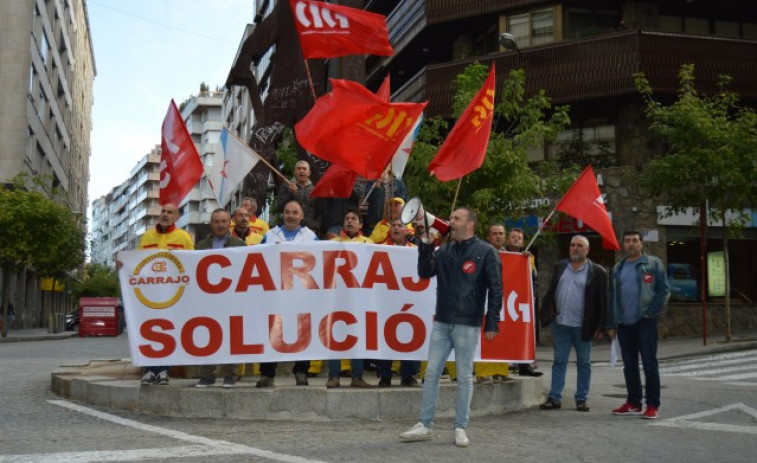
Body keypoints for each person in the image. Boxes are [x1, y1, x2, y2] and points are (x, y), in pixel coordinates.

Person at [400, 207, 503, 448]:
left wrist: (493, 321)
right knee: (432, 372)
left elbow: (497, 289)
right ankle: (425, 424)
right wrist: (425, 245)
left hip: (468, 322)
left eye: (456, 218)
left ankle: (460, 427)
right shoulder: (445, 250)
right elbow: (424, 273)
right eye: (451, 218)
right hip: (442, 321)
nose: (450, 222)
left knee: (464, 375)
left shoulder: (486, 252)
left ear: (470, 224)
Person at [538, 235, 609, 412]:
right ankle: (554, 398)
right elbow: (552, 291)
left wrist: (601, 326)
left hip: (583, 326)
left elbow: (603, 301)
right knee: (559, 361)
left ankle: (581, 399)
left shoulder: (597, 272)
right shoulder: (560, 266)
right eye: (572, 245)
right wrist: (548, 313)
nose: (575, 248)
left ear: (587, 250)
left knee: (584, 362)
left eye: (579, 246)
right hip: (560, 323)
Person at [256, 199, 318, 387]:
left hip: (301, 293)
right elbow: (257, 260)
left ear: (302, 216)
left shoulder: (311, 236)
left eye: (294, 212)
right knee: (272, 333)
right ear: (283, 214)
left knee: (303, 331)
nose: (290, 216)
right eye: (287, 212)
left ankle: (301, 371)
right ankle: (267, 373)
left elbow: (319, 263)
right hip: (275, 294)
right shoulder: (270, 235)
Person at [609, 230, 670, 419]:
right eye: (627, 241)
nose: (631, 244)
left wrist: (650, 313)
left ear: (641, 243)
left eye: (635, 241)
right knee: (629, 365)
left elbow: (663, 291)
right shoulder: (618, 268)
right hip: (624, 324)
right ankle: (634, 403)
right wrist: (612, 324)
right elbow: (613, 298)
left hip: (645, 322)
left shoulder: (652, 264)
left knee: (650, 365)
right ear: (623, 244)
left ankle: (652, 405)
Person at [137, 203, 194, 385]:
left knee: (168, 331)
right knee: (149, 330)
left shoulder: (184, 237)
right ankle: (148, 370)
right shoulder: (147, 237)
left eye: (170, 212)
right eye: (163, 211)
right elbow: (137, 263)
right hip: (150, 292)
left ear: (176, 217)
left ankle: (163, 370)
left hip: (172, 293)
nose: (165, 214)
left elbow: (192, 263)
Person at [194, 209, 246, 388]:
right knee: (207, 337)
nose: (220, 225)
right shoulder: (200, 246)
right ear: (211, 224)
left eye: (224, 221)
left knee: (231, 338)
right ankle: (207, 376)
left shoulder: (240, 245)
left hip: (231, 299)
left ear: (229, 223)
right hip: (208, 300)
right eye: (216, 222)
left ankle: (230, 376)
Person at [325, 208, 373, 388]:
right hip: (336, 297)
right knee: (334, 335)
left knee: (358, 335)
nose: (350, 221)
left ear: (360, 224)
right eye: (347, 218)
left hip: (359, 298)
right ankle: (334, 375)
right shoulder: (333, 243)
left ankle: (357, 376)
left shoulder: (369, 243)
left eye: (354, 219)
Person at [377, 219, 421, 387]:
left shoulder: (415, 250)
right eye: (393, 225)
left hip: (409, 300)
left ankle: (407, 375)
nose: (395, 227)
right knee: (386, 337)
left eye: (399, 225)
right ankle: (385, 376)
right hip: (387, 300)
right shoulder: (380, 249)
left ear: (407, 231)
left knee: (408, 336)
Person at [471, 223, 511, 384]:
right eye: (494, 233)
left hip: (505, 301)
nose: (498, 236)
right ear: (489, 237)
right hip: (484, 299)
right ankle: (483, 372)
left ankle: (501, 370)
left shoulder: (513, 256)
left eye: (501, 233)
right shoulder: (481, 254)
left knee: (502, 335)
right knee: (484, 336)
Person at [505, 227, 543, 378]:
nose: (516, 239)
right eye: (513, 237)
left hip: (520, 302)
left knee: (523, 335)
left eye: (519, 238)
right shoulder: (501, 254)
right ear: (508, 239)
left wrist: (529, 262)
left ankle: (524, 365)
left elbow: (533, 278)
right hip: (504, 299)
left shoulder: (528, 257)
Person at [276, 160, 321, 234]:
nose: (301, 171)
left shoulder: (315, 190)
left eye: (304, 169)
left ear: (309, 173)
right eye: (299, 168)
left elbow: (320, 211)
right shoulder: (286, 186)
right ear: (295, 172)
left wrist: (316, 225)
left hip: (310, 229)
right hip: (290, 228)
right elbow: (279, 207)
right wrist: (292, 194)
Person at [362, 169, 408, 234]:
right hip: (375, 223)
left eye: (387, 164)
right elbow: (367, 198)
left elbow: (405, 202)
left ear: (389, 167)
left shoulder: (399, 184)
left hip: (394, 223)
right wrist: (375, 188)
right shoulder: (372, 182)